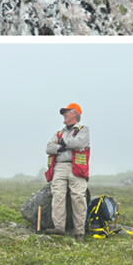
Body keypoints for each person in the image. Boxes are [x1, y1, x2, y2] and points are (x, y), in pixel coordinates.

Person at [44, 102, 90, 240]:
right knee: (58, 196)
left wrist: (61, 143)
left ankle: (79, 232)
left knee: (78, 197)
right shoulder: (59, 132)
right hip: (59, 167)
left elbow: (79, 143)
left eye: (66, 112)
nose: (63, 115)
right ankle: (59, 228)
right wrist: (63, 146)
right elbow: (48, 148)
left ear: (74, 113)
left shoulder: (84, 129)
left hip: (77, 168)